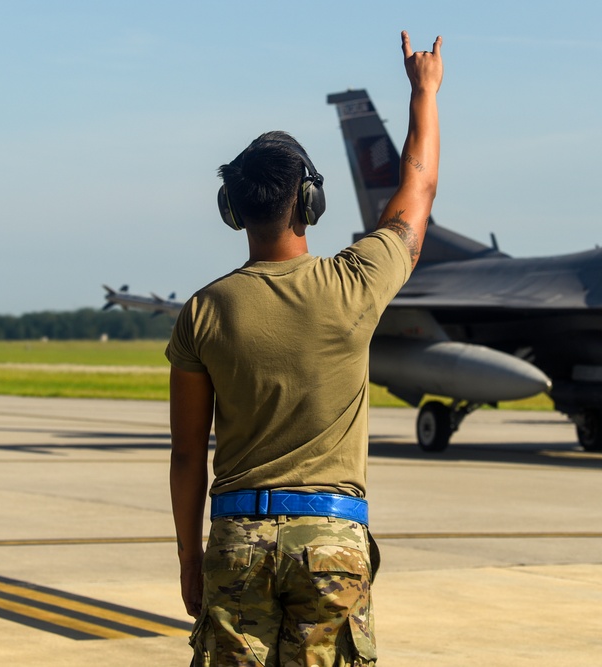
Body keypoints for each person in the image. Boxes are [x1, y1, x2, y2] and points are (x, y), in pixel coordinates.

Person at [166, 31, 442, 666]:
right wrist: (424, 91)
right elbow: (417, 189)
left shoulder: (204, 310)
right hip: (330, 543)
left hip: (235, 539)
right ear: (309, 202)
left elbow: (187, 453)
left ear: (232, 210)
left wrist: (191, 560)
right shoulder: (356, 283)